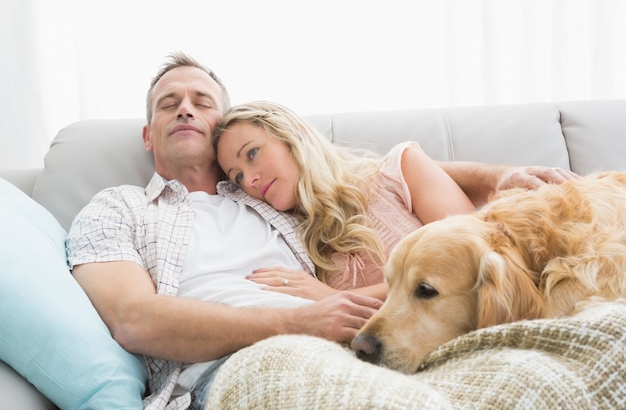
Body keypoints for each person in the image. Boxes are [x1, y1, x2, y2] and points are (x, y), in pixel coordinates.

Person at [66, 52, 574, 410]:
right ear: (147, 134)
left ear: (223, 124)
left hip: (355, 345)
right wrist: (300, 322)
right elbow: (135, 321)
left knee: (549, 373)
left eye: (201, 100)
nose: (185, 108)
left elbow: (381, 173)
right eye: (168, 103)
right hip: (242, 364)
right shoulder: (119, 207)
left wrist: (495, 176)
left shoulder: (271, 196)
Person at [212, 100, 577, 301]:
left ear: (295, 135)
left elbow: (473, 263)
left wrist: (329, 298)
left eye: (253, 153)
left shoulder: (398, 171)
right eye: (237, 176)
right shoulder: (293, 241)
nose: (251, 179)